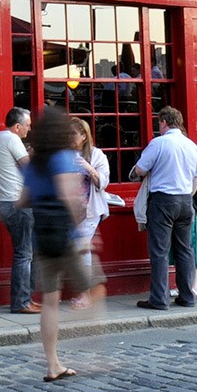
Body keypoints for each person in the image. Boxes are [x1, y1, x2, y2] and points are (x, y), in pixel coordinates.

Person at [20, 107, 98, 382]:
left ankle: (52, 364)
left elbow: (22, 200)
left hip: (42, 236)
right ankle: (97, 349)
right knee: (93, 288)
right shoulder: (65, 157)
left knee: (50, 302)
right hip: (66, 235)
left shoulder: (34, 163)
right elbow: (71, 197)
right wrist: (82, 232)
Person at [131, 106, 197, 310]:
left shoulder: (159, 143)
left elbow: (140, 169)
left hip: (163, 200)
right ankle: (188, 296)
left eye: (158, 123)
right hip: (185, 201)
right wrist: (187, 195)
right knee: (185, 250)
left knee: (159, 251)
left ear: (163, 122)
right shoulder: (193, 146)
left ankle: (159, 299)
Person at [0, 107, 37, 314]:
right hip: (18, 202)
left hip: (4, 202)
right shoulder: (12, 139)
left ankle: (26, 299)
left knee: (25, 252)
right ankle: (21, 302)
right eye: (27, 125)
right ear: (17, 126)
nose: (29, 129)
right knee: (24, 254)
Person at [68, 117, 109, 310]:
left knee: (82, 250)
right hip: (69, 212)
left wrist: (88, 168)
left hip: (90, 211)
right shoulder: (64, 155)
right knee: (77, 251)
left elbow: (103, 183)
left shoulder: (97, 155)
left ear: (84, 136)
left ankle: (86, 295)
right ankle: (90, 289)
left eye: (73, 134)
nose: (69, 138)